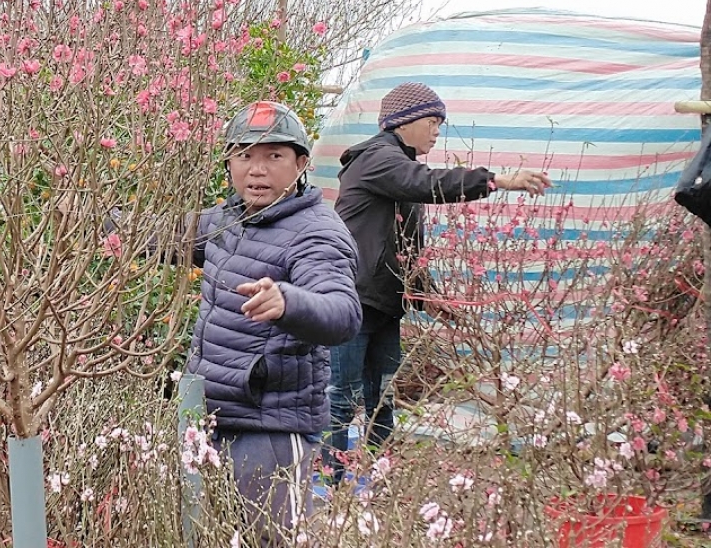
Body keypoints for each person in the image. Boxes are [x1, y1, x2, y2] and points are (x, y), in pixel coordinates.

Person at [328, 82, 551, 481]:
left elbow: (404, 249)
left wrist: (427, 296)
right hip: (354, 300)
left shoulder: (397, 167)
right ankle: (328, 481)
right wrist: (499, 180)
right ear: (403, 122)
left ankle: (377, 478)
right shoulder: (380, 158)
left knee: (383, 399)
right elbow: (428, 183)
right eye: (432, 121)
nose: (436, 131)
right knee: (342, 399)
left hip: (383, 304)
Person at [184, 101, 361, 538]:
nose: (256, 170)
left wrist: (289, 302)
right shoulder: (228, 219)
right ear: (229, 161)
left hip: (272, 427)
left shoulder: (316, 230)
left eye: (274, 156)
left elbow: (343, 312)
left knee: (269, 538)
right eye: (244, 155)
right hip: (209, 414)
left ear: (301, 164)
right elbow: (161, 235)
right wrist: (93, 221)